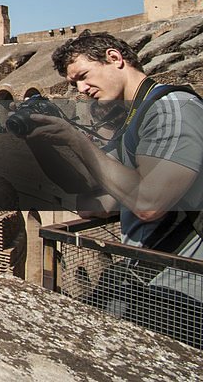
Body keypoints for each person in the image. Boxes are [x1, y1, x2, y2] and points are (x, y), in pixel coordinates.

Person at [25, 31, 203, 345]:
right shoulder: (132, 122)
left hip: (186, 289)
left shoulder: (173, 108)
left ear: (114, 58)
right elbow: (92, 203)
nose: (81, 89)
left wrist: (75, 139)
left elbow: (149, 202)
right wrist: (43, 144)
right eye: (73, 84)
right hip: (152, 278)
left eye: (82, 76)